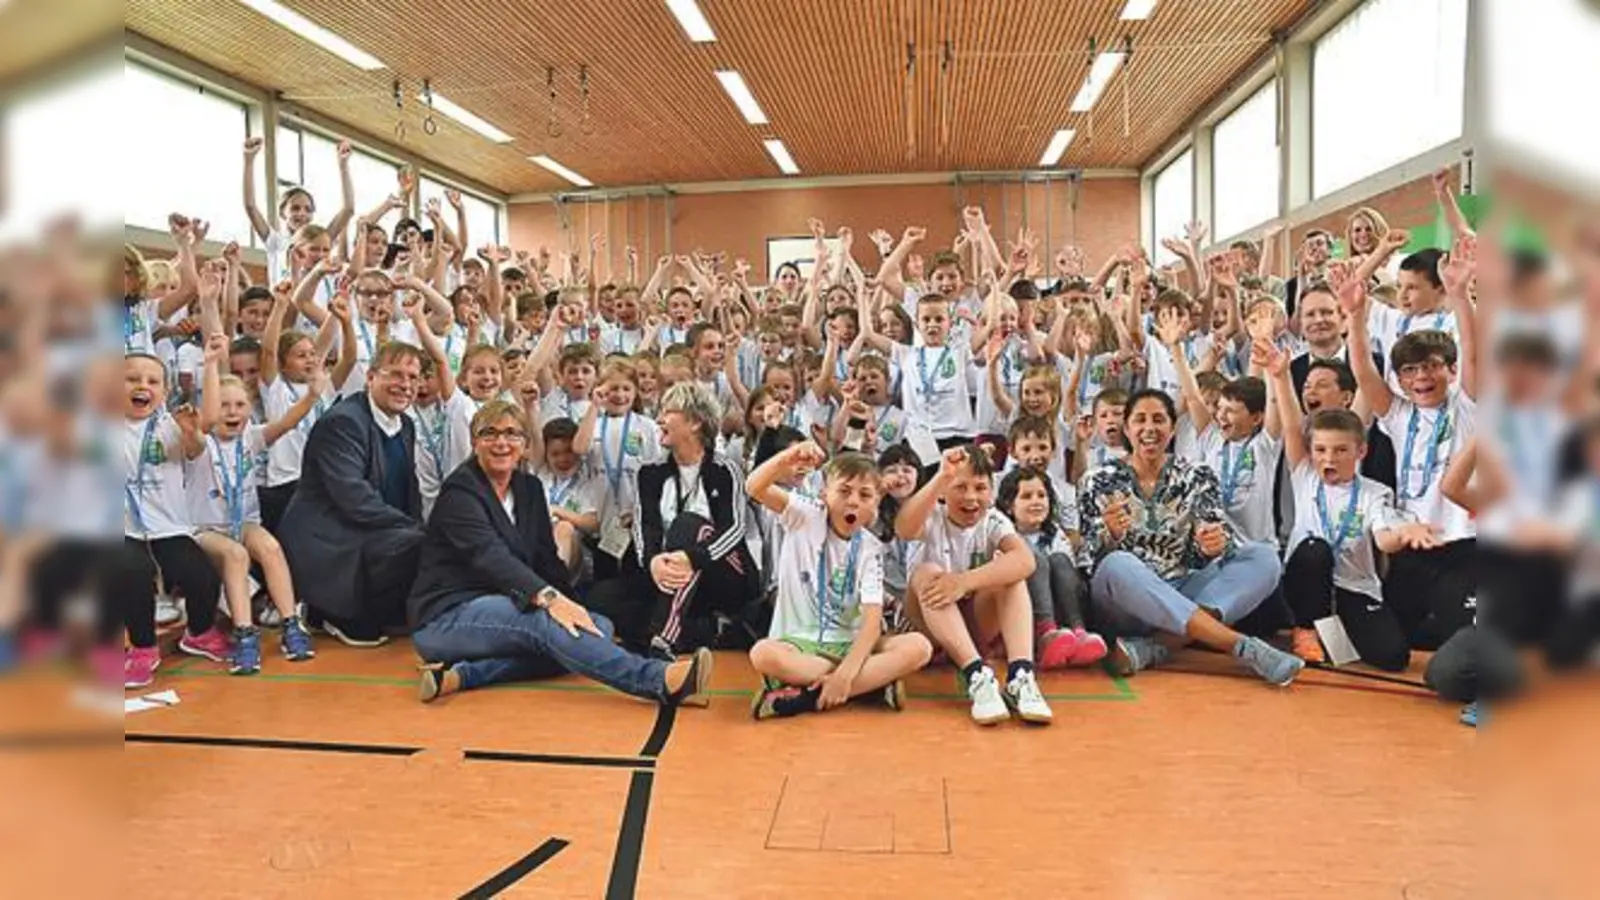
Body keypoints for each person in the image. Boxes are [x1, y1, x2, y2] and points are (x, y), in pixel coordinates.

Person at [407, 401, 713, 706]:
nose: (502, 442)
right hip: (447, 616)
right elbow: (490, 556)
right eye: (490, 433)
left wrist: (572, 604)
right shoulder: (459, 492)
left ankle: (467, 675)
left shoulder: (529, 489)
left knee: (599, 627)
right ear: (474, 442)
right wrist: (551, 600)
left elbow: (546, 560)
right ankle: (658, 680)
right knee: (549, 623)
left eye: (512, 434)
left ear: (525, 445)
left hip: (507, 609)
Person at [1078, 389, 1302, 686]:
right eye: (1140, 420)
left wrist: (1210, 547)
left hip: (1183, 588)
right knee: (1118, 563)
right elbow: (1087, 561)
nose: (1149, 428)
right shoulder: (1097, 479)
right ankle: (1240, 646)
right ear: (1127, 429)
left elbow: (1208, 549)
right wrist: (1110, 534)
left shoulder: (1197, 475)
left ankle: (1156, 647)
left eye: (1159, 420)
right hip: (1125, 601)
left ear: (1172, 428)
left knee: (1263, 557)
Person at [1262, 343, 1423, 669]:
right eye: (1320, 450)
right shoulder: (1304, 474)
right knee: (1314, 549)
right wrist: (1279, 377)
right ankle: (1305, 628)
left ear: (1359, 452)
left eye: (1339, 451)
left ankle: (1337, 627)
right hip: (1305, 577)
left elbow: (1383, 539)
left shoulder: (1374, 493)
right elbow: (1293, 427)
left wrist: (1405, 533)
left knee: (1393, 658)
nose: (1328, 458)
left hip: (1353, 586)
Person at [745, 443, 933, 719]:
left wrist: (845, 673)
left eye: (865, 495)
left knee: (919, 646)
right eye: (844, 491)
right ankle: (870, 685)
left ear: (876, 504)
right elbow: (754, 487)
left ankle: (806, 696)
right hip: (799, 643)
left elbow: (871, 622)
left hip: (851, 643)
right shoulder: (805, 515)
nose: (854, 501)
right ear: (824, 494)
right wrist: (786, 458)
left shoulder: (871, 548)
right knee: (762, 654)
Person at [589, 382, 760, 655]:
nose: (659, 419)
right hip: (670, 574)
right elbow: (645, 528)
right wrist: (653, 561)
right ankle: (713, 630)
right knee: (600, 599)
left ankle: (664, 638)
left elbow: (734, 529)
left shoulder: (725, 469)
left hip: (723, 573)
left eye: (668, 412)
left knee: (688, 524)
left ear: (694, 422)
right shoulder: (650, 473)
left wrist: (692, 558)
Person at [279, 342, 428, 647]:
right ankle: (328, 610)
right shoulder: (344, 422)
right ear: (370, 377)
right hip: (330, 538)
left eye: (413, 377)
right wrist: (417, 530)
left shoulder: (406, 424)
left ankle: (372, 607)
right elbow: (354, 499)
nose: (406, 385)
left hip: (371, 530)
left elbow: (407, 489)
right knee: (418, 543)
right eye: (396, 375)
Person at [894, 445, 1052, 726]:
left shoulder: (993, 521)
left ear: (991, 493)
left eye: (980, 487)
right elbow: (904, 528)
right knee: (927, 572)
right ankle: (977, 675)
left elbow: (1026, 561)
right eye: (960, 487)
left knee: (1011, 575)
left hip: (972, 627)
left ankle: (1020, 675)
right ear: (943, 492)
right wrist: (941, 475)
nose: (970, 497)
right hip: (924, 631)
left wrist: (963, 582)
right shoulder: (932, 517)